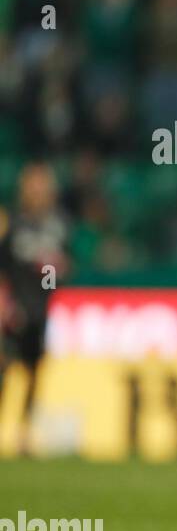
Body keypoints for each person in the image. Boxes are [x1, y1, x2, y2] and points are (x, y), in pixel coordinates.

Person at [0, 161, 70, 456]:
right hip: (13, 308)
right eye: (33, 185)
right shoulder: (12, 223)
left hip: (40, 310)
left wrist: (51, 271)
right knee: (4, 368)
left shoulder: (58, 225)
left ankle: (24, 433)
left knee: (33, 372)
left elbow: (60, 272)